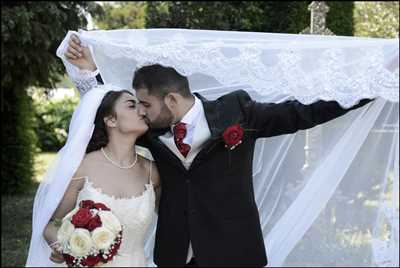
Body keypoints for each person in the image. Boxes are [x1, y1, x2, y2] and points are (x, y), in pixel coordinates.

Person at [63, 33, 373, 267]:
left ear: (171, 100)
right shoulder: (151, 128)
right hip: (176, 254)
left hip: (234, 253)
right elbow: (114, 115)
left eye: (145, 103)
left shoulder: (237, 113)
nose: (141, 112)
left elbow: (302, 113)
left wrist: (374, 84)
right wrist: (89, 72)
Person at [26, 87, 161, 267]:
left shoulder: (153, 172)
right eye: (131, 105)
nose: (143, 110)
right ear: (111, 120)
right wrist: (64, 249)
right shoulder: (83, 167)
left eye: (142, 105)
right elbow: (53, 224)